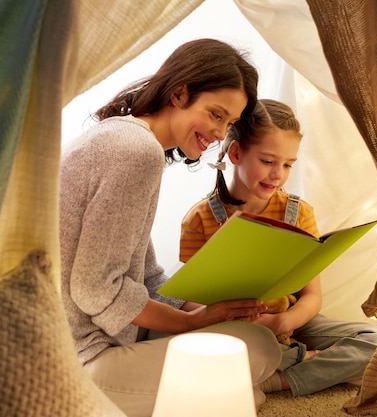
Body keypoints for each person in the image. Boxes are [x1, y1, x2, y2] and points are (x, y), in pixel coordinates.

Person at [59, 38, 282, 417]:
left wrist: (210, 308)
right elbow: (94, 289)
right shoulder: (135, 151)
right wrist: (191, 321)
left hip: (95, 339)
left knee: (251, 343)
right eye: (215, 114)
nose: (219, 133)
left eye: (228, 123)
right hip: (79, 358)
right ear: (179, 94)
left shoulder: (126, 139)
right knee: (258, 351)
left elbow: (144, 273)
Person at [179, 98, 377, 397]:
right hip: (234, 328)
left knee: (374, 341)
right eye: (267, 161)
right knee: (202, 349)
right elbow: (188, 302)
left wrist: (283, 321)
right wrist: (225, 315)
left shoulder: (299, 213)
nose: (278, 174)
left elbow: (312, 297)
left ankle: (275, 380)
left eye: (288, 164)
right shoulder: (199, 219)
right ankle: (299, 360)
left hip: (288, 320)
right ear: (235, 153)